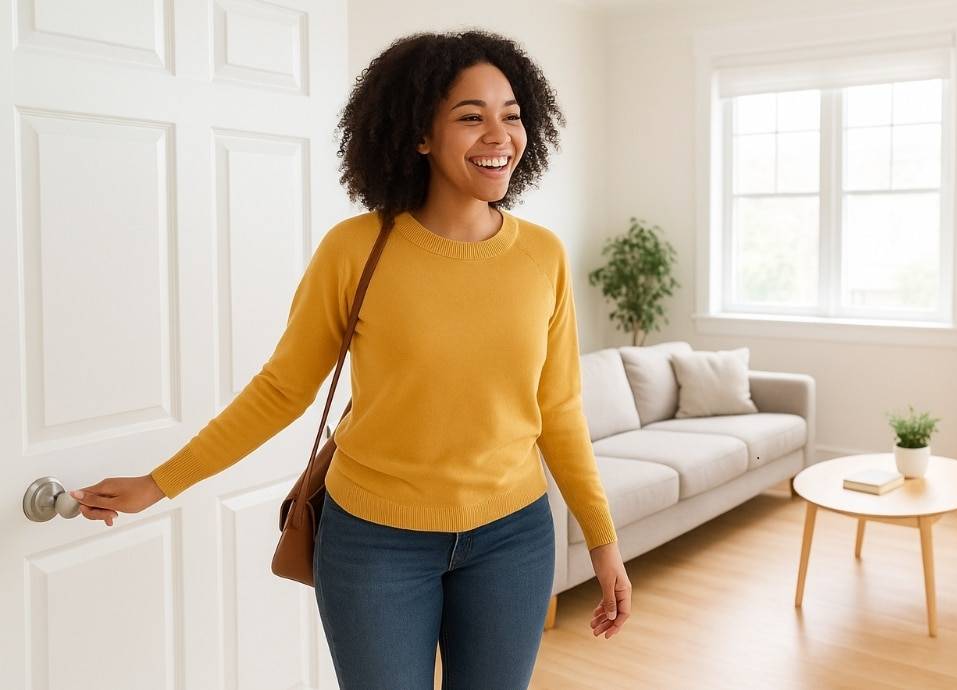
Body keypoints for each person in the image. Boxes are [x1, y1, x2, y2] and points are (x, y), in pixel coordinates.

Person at [68, 28, 632, 688]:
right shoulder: (355, 249)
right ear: (420, 135)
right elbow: (281, 390)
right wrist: (159, 482)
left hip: (514, 536)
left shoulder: (542, 256)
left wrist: (603, 542)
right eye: (470, 117)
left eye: (511, 116)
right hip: (374, 542)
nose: (499, 136)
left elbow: (559, 410)